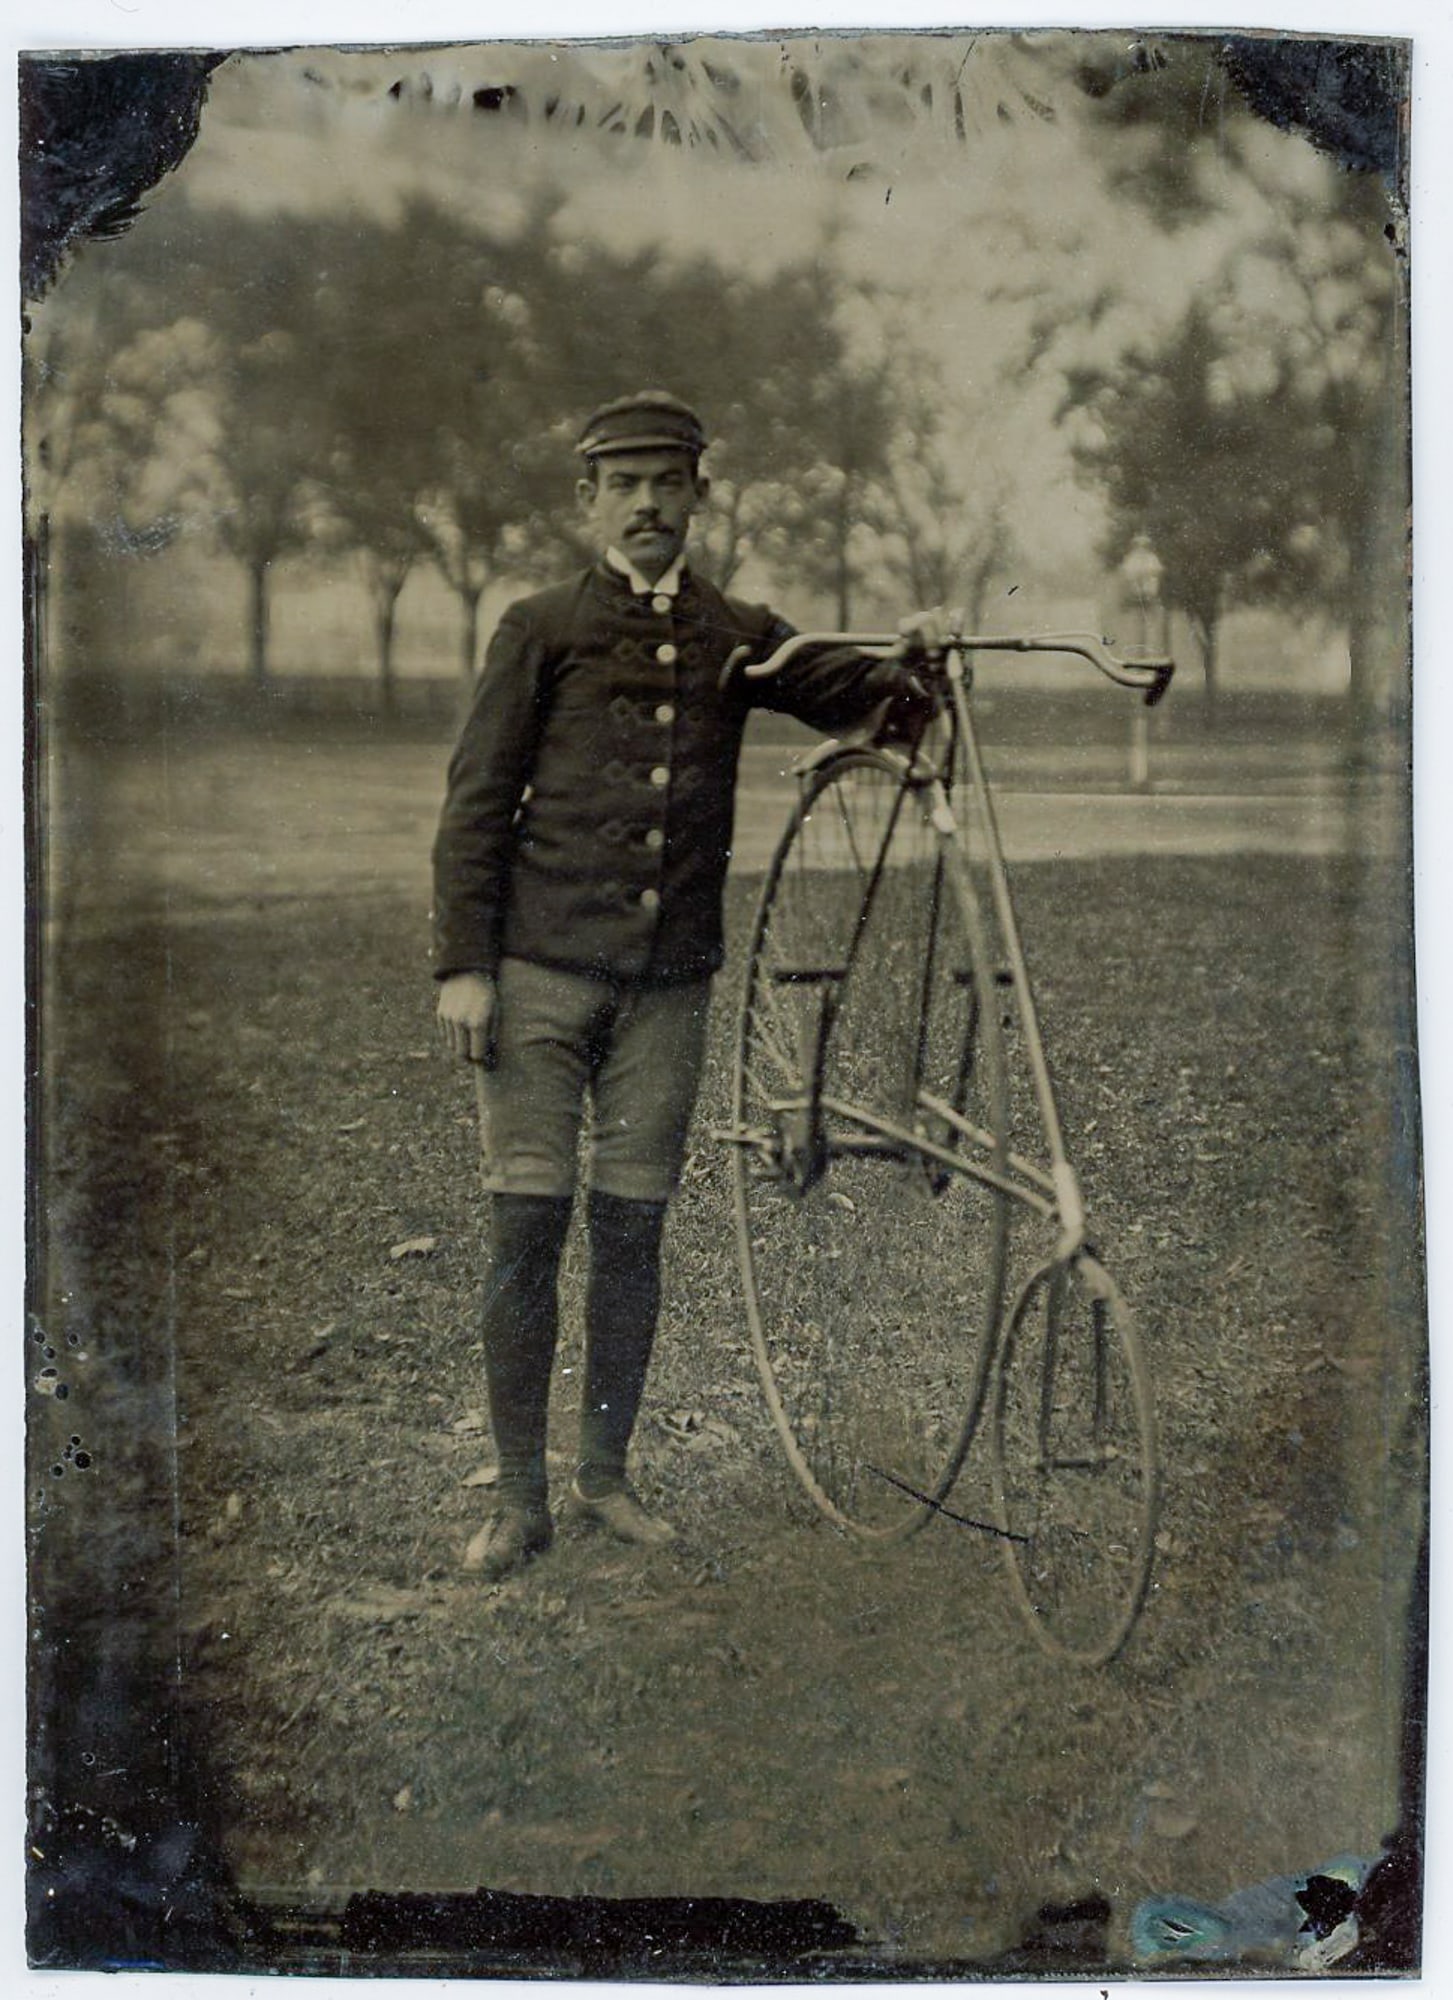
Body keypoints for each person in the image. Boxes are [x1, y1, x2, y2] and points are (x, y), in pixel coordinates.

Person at [433, 390, 940, 1582]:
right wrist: (464, 965)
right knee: (525, 1228)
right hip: (536, 980)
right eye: (625, 484)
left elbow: (864, 696)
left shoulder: (736, 632)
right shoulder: (539, 626)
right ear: (588, 499)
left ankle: (604, 1479)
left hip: (666, 989)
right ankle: (519, 1500)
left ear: (700, 495)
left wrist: (915, 658)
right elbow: (474, 803)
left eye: (669, 482)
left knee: (633, 1231)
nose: (648, 504)